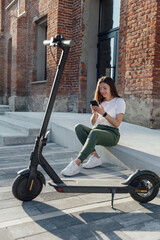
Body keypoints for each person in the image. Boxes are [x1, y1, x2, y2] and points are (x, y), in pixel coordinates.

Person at [61, 76, 126, 176]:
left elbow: (117, 123)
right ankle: (95, 157)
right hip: (98, 129)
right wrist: (95, 113)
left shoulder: (119, 102)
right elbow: (93, 123)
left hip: (112, 133)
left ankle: (76, 164)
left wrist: (104, 113)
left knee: (94, 132)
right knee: (79, 127)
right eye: (100, 88)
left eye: (105, 88)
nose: (102, 91)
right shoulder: (101, 102)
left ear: (111, 88)